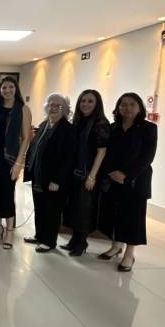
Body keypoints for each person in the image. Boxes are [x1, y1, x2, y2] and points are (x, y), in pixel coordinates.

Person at [98, 92, 157, 271]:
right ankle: (116, 246)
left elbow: (147, 156)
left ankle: (129, 254)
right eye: (123, 104)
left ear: (139, 107)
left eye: (132, 104)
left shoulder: (148, 128)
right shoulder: (113, 127)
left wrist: (126, 174)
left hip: (136, 180)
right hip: (113, 178)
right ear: (118, 108)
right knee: (115, 214)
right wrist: (111, 172)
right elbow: (105, 152)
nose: (127, 108)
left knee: (133, 217)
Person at [24, 93, 75, 253]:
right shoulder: (44, 124)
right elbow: (35, 147)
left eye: (58, 106)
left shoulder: (68, 129)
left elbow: (68, 158)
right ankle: (39, 235)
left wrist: (57, 180)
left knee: (52, 210)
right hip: (39, 175)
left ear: (64, 109)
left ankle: (49, 241)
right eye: (51, 105)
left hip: (54, 179)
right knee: (40, 207)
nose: (53, 108)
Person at [62, 89, 110, 256]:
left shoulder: (100, 123)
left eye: (90, 101)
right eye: (83, 101)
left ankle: (82, 242)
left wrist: (92, 176)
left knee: (84, 209)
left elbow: (102, 152)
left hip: (88, 173)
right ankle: (74, 239)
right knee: (74, 207)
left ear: (97, 104)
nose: (86, 104)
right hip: (75, 172)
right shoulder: (78, 121)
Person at [0, 76, 32, 249]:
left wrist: (18, 163)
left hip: (10, 160)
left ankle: (9, 231)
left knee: (7, 195)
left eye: (10, 87)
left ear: (16, 89)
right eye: (4, 87)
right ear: (0, 91)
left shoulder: (23, 109)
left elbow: (26, 138)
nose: (7, 90)